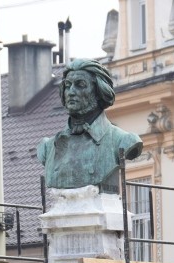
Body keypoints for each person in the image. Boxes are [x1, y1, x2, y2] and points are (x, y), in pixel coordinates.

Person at [37, 58, 143, 191]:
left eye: (80, 85)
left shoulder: (122, 141)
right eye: (68, 85)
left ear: (99, 92)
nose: (71, 92)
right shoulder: (48, 147)